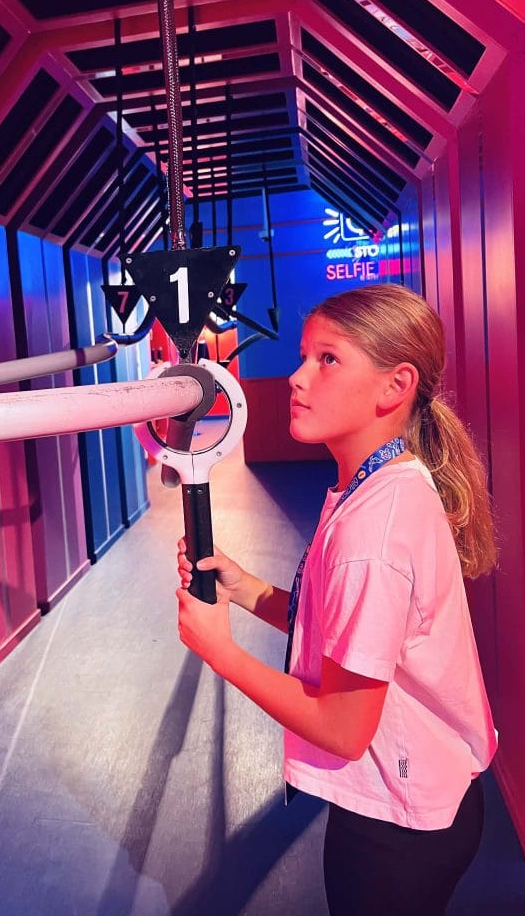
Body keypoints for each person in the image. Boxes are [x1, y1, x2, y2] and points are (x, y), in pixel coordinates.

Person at [176, 283, 497, 916]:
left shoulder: (372, 533)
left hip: (398, 829)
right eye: (303, 356)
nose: (297, 378)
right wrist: (245, 589)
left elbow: (344, 730)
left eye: (328, 360)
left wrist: (221, 653)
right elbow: (345, 631)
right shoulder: (385, 483)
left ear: (394, 386)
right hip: (422, 799)